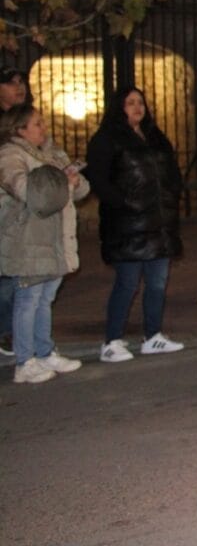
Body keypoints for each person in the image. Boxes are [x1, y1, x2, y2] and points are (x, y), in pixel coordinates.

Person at [86, 87, 186, 363]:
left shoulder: (155, 136)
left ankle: (152, 335)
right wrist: (123, 202)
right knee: (128, 282)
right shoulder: (107, 139)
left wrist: (171, 192)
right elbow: (99, 178)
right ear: (119, 107)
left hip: (159, 221)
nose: (136, 107)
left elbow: (171, 170)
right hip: (127, 224)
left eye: (140, 102)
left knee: (157, 281)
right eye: (130, 103)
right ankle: (112, 339)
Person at [0, 103, 90, 383]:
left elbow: (82, 189)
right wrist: (62, 183)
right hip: (28, 238)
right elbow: (27, 190)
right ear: (20, 129)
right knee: (28, 300)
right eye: (37, 123)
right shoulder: (10, 155)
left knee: (45, 298)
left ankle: (44, 350)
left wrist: (72, 180)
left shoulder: (49, 153)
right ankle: (24, 360)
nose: (43, 128)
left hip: (53, 239)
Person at [0, 63, 31, 359]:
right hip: (5, 210)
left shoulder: (29, 120)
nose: (18, 87)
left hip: (25, 213)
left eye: (21, 81)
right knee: (8, 276)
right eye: (11, 82)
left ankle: (17, 331)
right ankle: (7, 332)